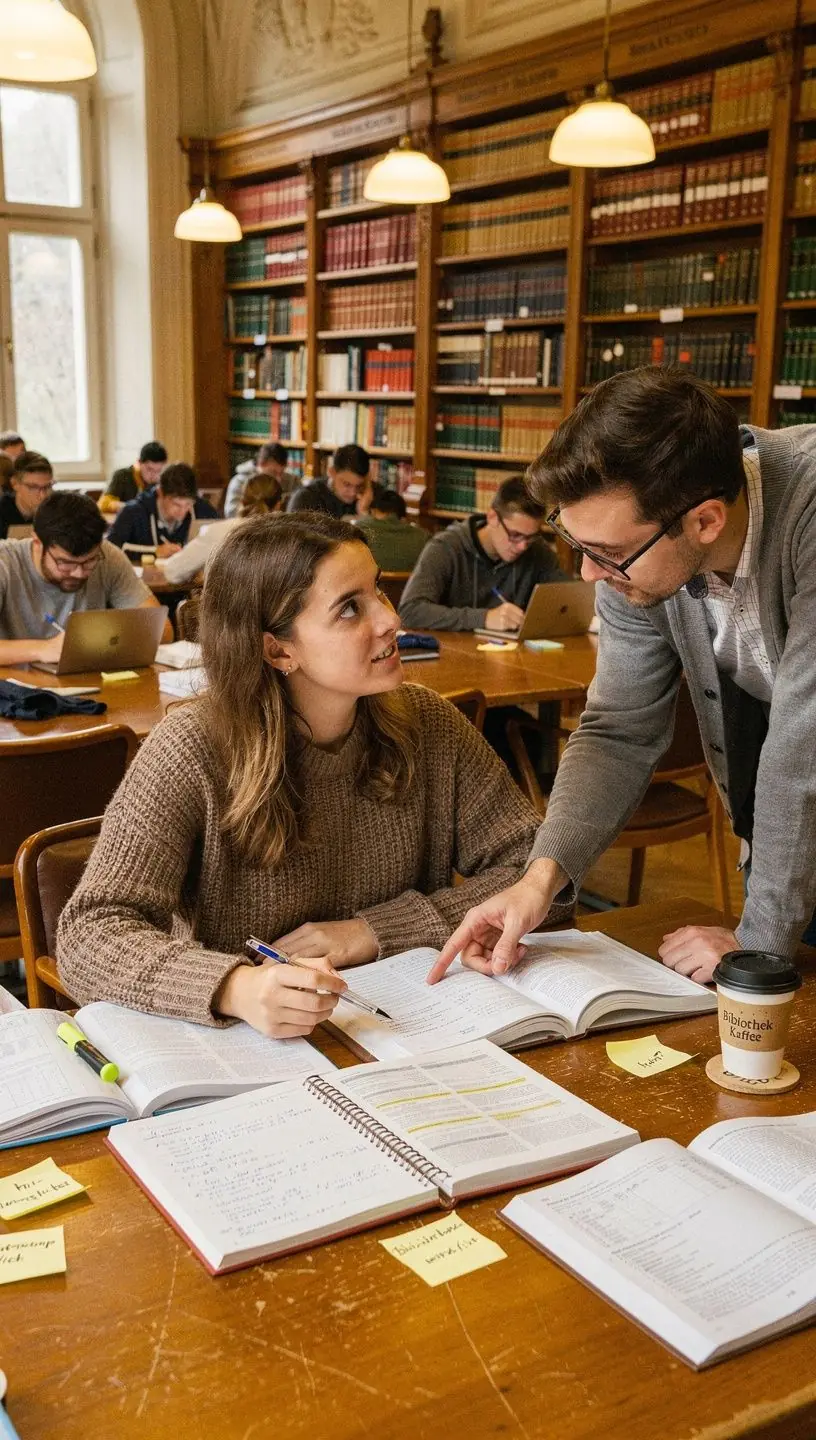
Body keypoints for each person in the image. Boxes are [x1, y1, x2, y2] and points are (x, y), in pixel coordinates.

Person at [55, 511, 569, 1035]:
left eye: (379, 592)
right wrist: (233, 986)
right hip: (253, 1045)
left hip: (409, 1026)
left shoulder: (429, 723)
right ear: (278, 649)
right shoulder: (191, 748)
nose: (390, 620)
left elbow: (539, 878)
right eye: (350, 608)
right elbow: (90, 934)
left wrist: (370, 933)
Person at [428, 365, 816, 990]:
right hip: (793, 838)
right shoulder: (638, 548)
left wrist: (757, 943)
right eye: (575, 543)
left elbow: (805, 749)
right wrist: (538, 879)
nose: (587, 574)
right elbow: (617, 728)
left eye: (606, 554)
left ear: (706, 521)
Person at [0, 491, 172, 666]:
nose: (79, 573)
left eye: (89, 562)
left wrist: (106, 638)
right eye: (65, 563)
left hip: (86, 683)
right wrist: (43, 649)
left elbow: (162, 630)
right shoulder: (4, 562)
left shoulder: (108, 555)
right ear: (37, 543)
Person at [399, 474, 569, 633]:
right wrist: (484, 618)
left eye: (531, 537)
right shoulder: (445, 548)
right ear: (492, 517)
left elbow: (567, 597)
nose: (522, 546)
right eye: (515, 535)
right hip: (455, 655)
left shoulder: (537, 550)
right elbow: (410, 611)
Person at [162, 471, 283, 586]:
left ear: (242, 501)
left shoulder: (217, 532)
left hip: (223, 607)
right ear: (279, 505)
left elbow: (172, 572)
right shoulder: (289, 538)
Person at [107, 462, 218, 560]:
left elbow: (220, 541)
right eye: (176, 504)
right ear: (160, 492)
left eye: (188, 504)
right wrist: (154, 551)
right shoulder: (132, 512)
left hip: (188, 581)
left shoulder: (202, 509)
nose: (183, 511)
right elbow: (110, 551)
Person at [353, 487, 428, 572]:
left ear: (373, 511)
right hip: (407, 585)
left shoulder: (359, 530)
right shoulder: (423, 537)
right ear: (403, 517)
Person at [287, 443, 369, 519]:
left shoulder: (368, 496)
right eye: (347, 484)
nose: (353, 493)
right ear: (331, 472)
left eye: (359, 486)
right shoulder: (305, 498)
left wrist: (364, 513)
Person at [224, 442, 298, 518]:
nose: (278, 479)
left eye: (281, 473)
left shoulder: (292, 481)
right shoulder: (239, 481)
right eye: (273, 472)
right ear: (261, 464)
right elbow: (231, 513)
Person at [99, 442, 168, 517]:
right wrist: (132, 508)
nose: (154, 475)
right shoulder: (122, 476)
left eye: (158, 470)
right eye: (149, 469)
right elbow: (104, 504)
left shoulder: (164, 480)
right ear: (139, 463)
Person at [0, 451, 54, 539]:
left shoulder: (58, 511)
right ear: (15, 484)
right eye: (33, 487)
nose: (43, 495)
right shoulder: (2, 512)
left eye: (47, 487)